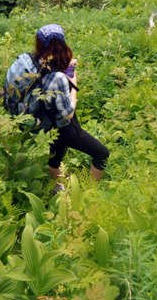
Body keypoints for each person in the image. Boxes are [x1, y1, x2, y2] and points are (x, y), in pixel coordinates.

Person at [34, 24, 109, 192]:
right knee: (101, 153)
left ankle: (58, 190)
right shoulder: (60, 78)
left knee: (56, 154)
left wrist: (67, 66)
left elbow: (51, 73)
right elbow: (68, 113)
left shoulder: (35, 62)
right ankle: (90, 192)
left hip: (46, 122)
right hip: (64, 126)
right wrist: (73, 85)